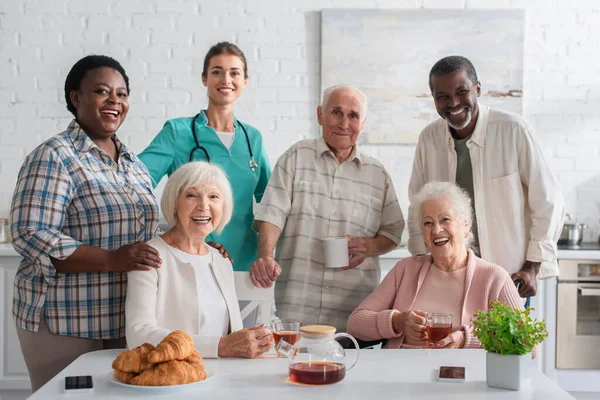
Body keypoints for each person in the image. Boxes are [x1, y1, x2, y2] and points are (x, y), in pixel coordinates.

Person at [10, 55, 161, 391]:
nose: (115, 101)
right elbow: (30, 232)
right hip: (66, 322)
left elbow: (147, 234)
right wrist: (109, 259)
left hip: (126, 319)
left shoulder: (133, 163)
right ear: (76, 98)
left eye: (122, 95)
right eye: (102, 91)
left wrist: (197, 246)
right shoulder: (55, 155)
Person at [249, 85, 405, 332]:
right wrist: (265, 257)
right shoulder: (296, 157)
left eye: (353, 115)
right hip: (296, 308)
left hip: (353, 313)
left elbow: (393, 232)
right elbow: (272, 215)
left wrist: (368, 246)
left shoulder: (377, 174)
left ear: (362, 123)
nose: (344, 123)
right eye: (336, 112)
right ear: (320, 114)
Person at [408, 55, 564, 299]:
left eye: (462, 91)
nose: (454, 102)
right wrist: (420, 262)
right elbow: (417, 208)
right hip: (448, 279)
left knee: (502, 338)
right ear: (434, 99)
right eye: (443, 97)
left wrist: (532, 266)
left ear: (477, 89)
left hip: (509, 278)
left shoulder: (513, 130)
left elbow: (547, 202)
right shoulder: (429, 139)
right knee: (452, 340)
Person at [138, 42, 271, 274]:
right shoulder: (177, 132)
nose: (226, 80)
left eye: (234, 73)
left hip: (243, 266)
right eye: (217, 72)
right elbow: (133, 182)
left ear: (245, 82)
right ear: (204, 78)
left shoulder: (253, 138)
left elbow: (272, 203)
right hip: (189, 262)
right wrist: (156, 237)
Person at [348, 182, 524, 349]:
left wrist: (466, 339)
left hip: (461, 375)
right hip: (401, 371)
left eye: (445, 219)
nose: (436, 230)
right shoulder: (405, 269)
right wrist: (398, 321)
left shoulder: (494, 277)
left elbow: (527, 342)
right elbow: (355, 323)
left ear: (465, 225)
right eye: (428, 223)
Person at [126, 162, 272, 358]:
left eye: (213, 197)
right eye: (192, 195)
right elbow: (138, 334)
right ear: (174, 204)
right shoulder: (149, 256)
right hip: (174, 378)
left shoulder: (221, 260)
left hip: (223, 377)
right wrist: (220, 347)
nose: (204, 206)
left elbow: (231, 332)